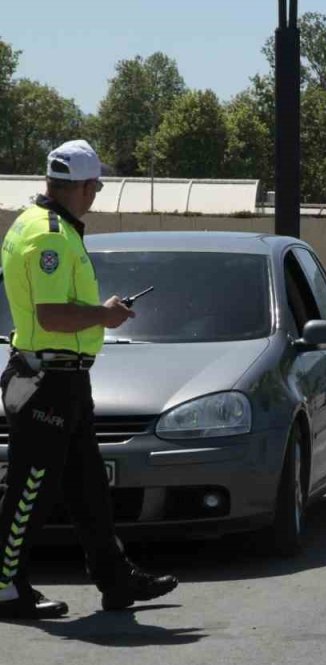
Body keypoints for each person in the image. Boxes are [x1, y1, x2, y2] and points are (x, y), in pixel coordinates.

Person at [0, 140, 177, 620]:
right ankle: (4, 586)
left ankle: (116, 580)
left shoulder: (35, 223)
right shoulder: (52, 236)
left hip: (61, 377)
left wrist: (99, 312)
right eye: (96, 182)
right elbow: (53, 314)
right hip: (49, 379)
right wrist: (104, 315)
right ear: (79, 186)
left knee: (88, 488)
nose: (98, 190)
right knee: (31, 486)